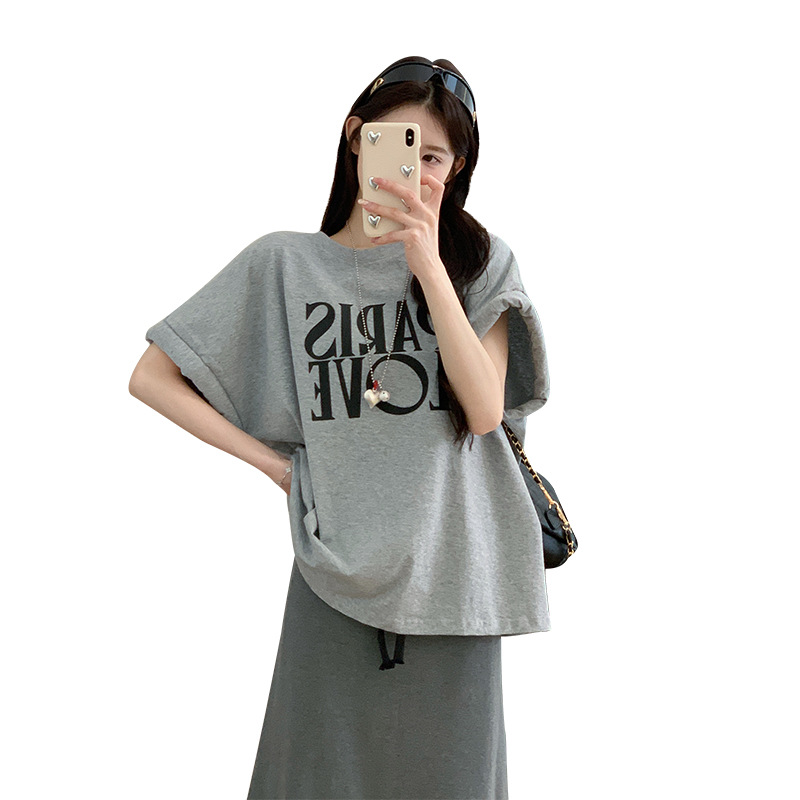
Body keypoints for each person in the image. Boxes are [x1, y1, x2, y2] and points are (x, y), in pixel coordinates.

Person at [130, 56, 551, 800]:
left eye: (435, 158)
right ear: (356, 137)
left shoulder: (480, 263)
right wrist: (278, 467)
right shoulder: (285, 264)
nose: (417, 172)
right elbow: (152, 377)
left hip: (453, 580)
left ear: (456, 170)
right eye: (401, 147)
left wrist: (427, 266)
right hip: (334, 575)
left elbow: (485, 410)